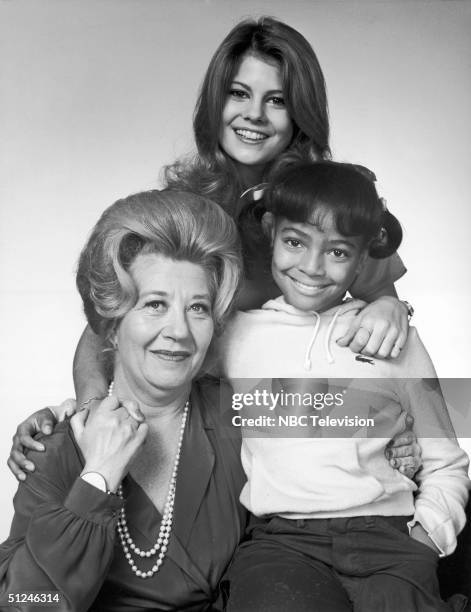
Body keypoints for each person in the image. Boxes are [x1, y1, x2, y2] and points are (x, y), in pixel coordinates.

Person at [8, 16, 416, 482]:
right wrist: (87, 421)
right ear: (215, 102)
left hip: (303, 444)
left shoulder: (330, 204)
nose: (254, 115)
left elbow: (384, 313)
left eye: (277, 100)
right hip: (202, 440)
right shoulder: (180, 213)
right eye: (239, 94)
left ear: (301, 114)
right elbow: (103, 332)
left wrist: (391, 324)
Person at [218, 161, 470, 612]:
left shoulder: (394, 339)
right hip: (283, 543)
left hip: (388, 541)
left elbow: (446, 462)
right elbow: (158, 378)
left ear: (362, 256)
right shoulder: (234, 337)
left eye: (337, 252)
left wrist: (428, 533)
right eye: (295, 242)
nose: (312, 268)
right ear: (271, 231)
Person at [0, 190, 248, 611]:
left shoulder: (240, 412)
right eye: (155, 305)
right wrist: (96, 479)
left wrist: (399, 438)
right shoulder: (57, 448)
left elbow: (367, 416)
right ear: (111, 326)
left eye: (199, 308)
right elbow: (23, 602)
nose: (180, 331)